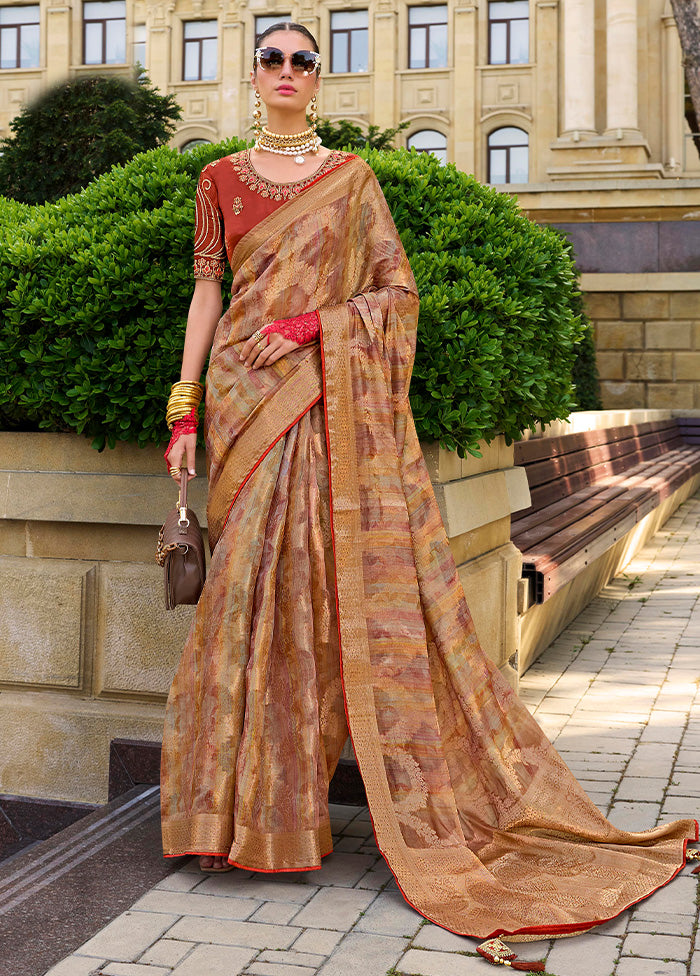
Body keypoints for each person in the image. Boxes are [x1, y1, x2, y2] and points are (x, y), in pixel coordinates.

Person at [161, 21, 697, 957]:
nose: (287, 72)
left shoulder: (353, 182)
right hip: (247, 403)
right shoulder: (217, 180)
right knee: (248, 592)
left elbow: (394, 293)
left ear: (320, 80)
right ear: (254, 73)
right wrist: (184, 404)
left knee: (318, 594)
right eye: (273, 57)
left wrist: (318, 329)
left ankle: (298, 814)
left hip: (325, 400)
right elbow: (208, 292)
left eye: (304, 60)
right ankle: (236, 814)